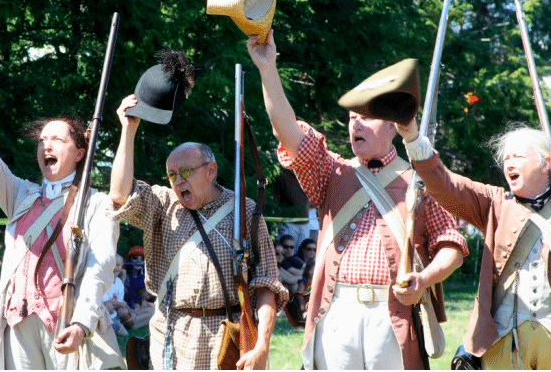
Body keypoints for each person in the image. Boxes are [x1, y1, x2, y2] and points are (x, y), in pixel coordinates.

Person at [247, 30, 468, 370]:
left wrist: (424, 280)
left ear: (394, 125)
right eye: (351, 118)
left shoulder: (421, 180)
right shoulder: (330, 171)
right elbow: (287, 131)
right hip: (335, 311)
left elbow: (451, 246)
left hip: (391, 313)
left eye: (365, 117)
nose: (355, 126)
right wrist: (267, 69)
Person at [0, 75, 124, 370]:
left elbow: (100, 268)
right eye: (43, 139)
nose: (47, 145)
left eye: (58, 139)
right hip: (17, 322)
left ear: (80, 153)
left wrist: (82, 322)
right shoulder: (23, 195)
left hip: (67, 321)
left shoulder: (95, 203)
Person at [108, 95, 289, 370]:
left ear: (211, 171)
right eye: (172, 175)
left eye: (185, 171)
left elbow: (266, 285)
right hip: (170, 333)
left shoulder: (243, 209)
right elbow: (119, 195)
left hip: (225, 335)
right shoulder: (163, 204)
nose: (178, 180)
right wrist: (128, 129)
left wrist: (262, 344)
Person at [397, 119, 551, 369]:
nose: (509, 164)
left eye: (518, 157)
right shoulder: (496, 204)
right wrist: (413, 140)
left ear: (546, 163)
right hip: (504, 340)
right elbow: (447, 186)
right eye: (506, 159)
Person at [102, 255, 132, 336]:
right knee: (109, 306)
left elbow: (119, 301)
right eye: (113, 265)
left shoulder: (119, 282)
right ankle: (108, 327)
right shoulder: (105, 281)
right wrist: (121, 304)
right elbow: (106, 302)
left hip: (114, 314)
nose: (115, 268)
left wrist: (122, 305)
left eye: (118, 265)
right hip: (105, 313)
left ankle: (120, 324)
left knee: (124, 311)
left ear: (121, 267)